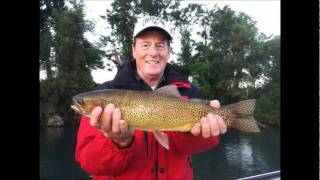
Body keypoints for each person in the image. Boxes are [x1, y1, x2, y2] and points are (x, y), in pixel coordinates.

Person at [75, 16, 227, 180]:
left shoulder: (189, 92)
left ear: (169, 51)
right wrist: (118, 142)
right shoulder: (104, 91)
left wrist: (198, 133)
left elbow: (206, 143)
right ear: (134, 50)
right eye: (145, 45)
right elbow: (88, 163)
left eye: (160, 46)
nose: (153, 53)